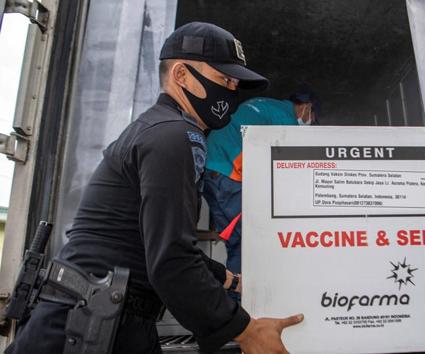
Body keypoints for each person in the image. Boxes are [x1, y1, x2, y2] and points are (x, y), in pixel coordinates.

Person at [6, 22, 302, 354]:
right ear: (181, 75)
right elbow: (171, 260)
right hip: (84, 327)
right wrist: (246, 332)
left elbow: (155, 243)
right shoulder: (173, 136)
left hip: (101, 317)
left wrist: (230, 279)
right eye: (224, 79)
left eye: (235, 83)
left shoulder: (162, 129)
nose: (231, 91)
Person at [203, 91, 320, 275]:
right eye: (312, 119)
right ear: (307, 107)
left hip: (211, 172)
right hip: (227, 175)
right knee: (256, 241)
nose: (310, 123)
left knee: (240, 244)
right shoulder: (287, 120)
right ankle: (254, 297)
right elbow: (290, 169)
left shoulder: (266, 105)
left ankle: (237, 297)